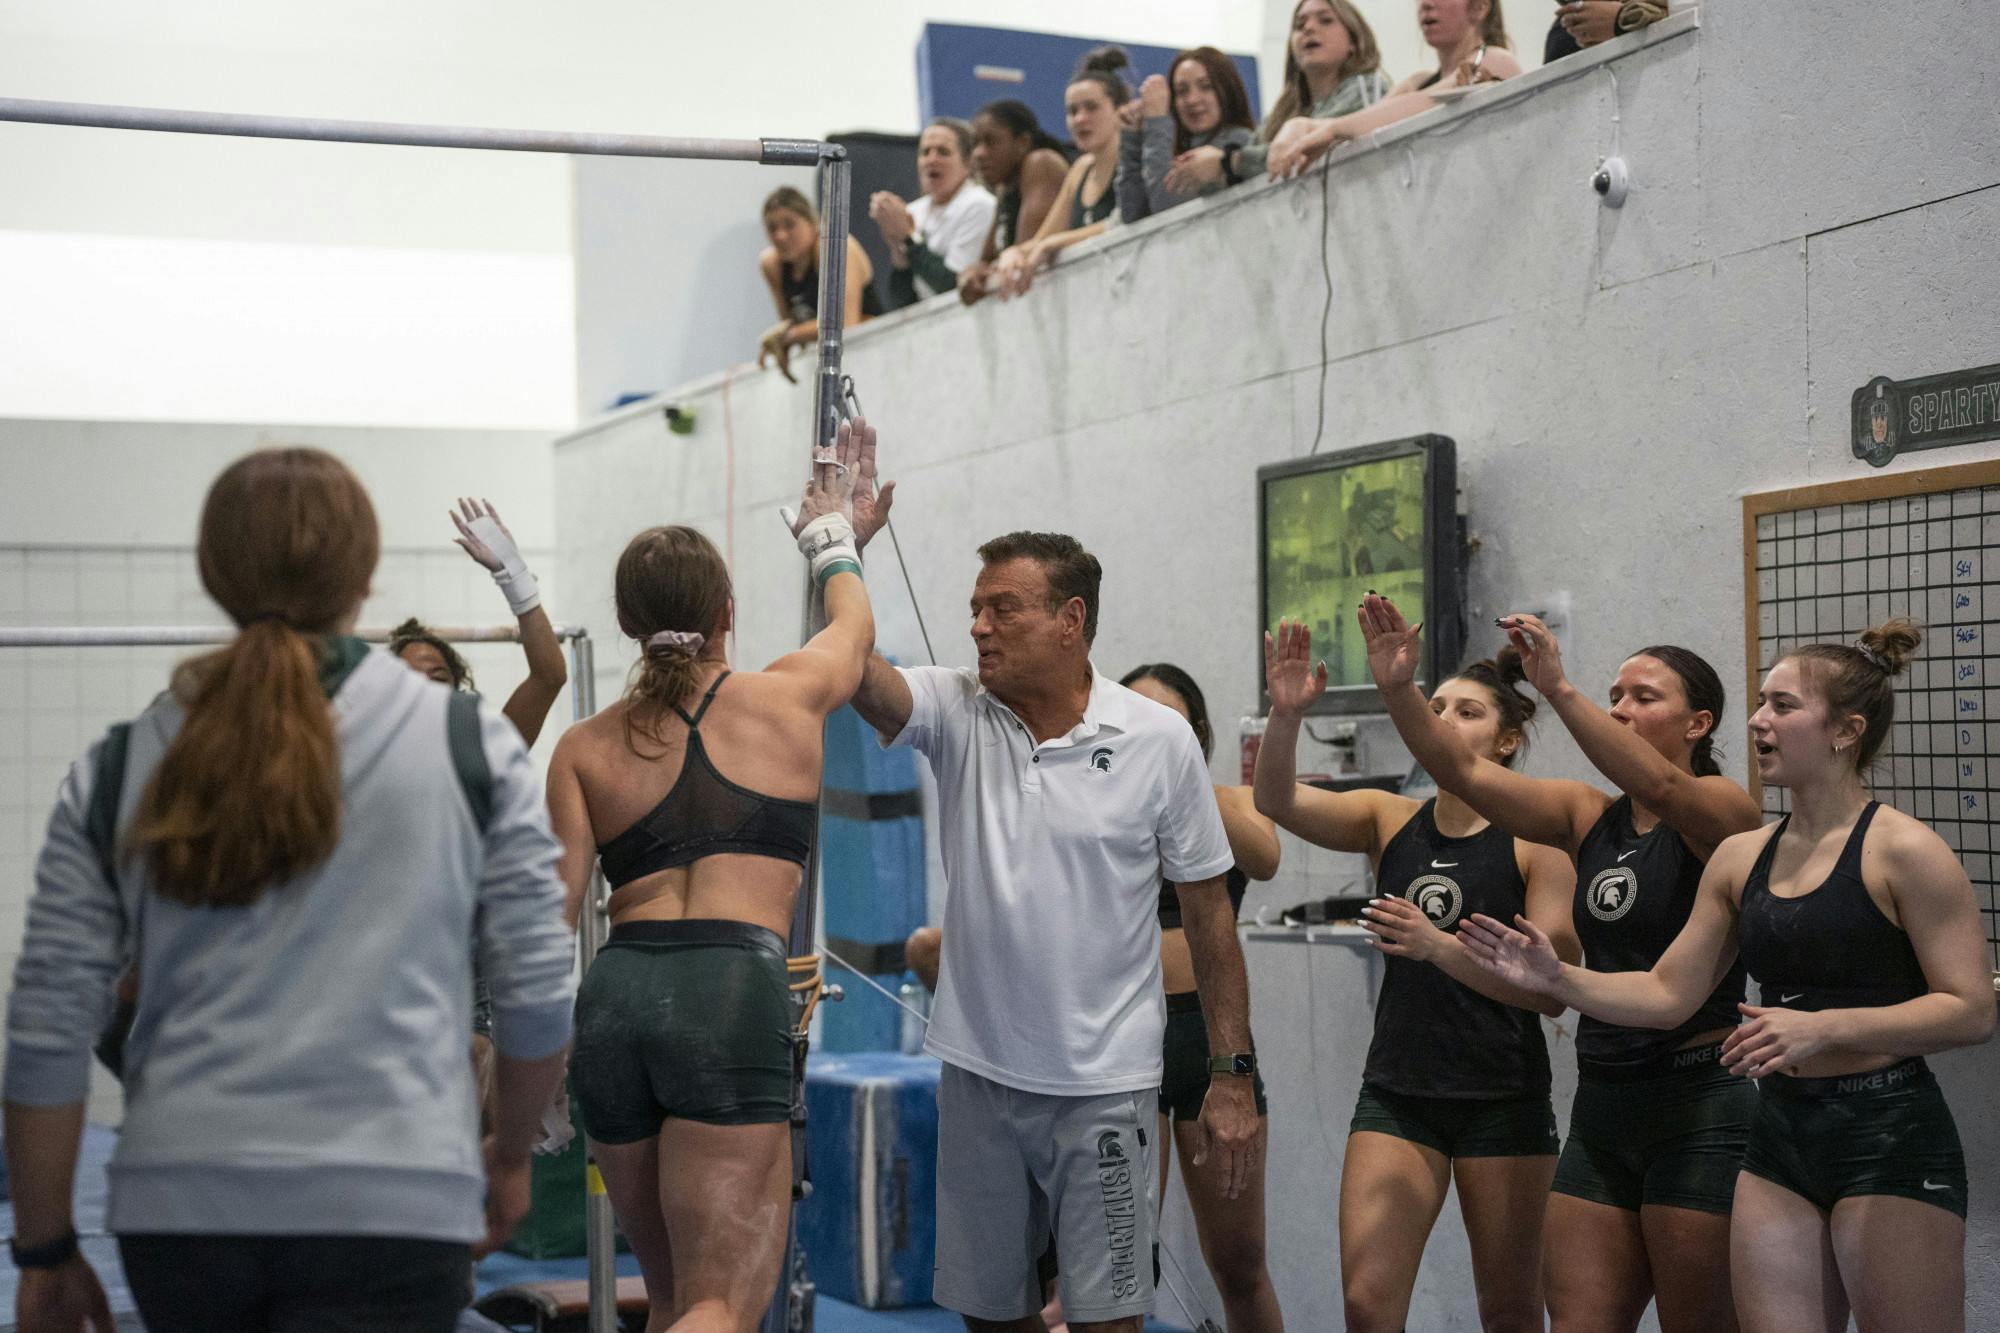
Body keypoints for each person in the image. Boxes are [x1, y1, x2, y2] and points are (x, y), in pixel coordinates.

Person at [4, 447, 575, 1332]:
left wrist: (42, 1249)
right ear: (366, 574)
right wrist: (507, 1156)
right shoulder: (466, 749)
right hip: (391, 1197)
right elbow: (541, 985)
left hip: (185, 1207)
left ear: (212, 574)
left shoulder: (125, 761)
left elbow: (46, 1025)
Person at [1460, 620, 1996, 1333]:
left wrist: (1825, 1026)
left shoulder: (1905, 850)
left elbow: (1971, 1010)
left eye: (1782, 705)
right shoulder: (1743, 857)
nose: (1758, 720)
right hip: (1778, 1136)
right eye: (1760, 703)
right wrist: (1557, 978)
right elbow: (1664, 992)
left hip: (1887, 1129)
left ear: (1845, 731)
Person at [843, 483, 1258, 1332]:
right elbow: (853, 672)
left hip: (1104, 1088)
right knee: (992, 1317)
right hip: (980, 1079)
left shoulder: (1156, 739)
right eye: (974, 609)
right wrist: (841, 549)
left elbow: (1211, 918)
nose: (978, 627)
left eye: (1003, 609)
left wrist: (1231, 1075)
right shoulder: (956, 709)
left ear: (1071, 619)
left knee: (1107, 1320)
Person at [1358, 594, 1763, 1333]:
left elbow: (1665, 787)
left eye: (1643, 697)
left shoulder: (1724, 811)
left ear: (1698, 723)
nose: (1620, 710)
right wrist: (1397, 688)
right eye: (1613, 696)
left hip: (1698, 1101)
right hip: (1606, 1098)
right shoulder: (1586, 815)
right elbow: (1462, 769)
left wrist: (1558, 688)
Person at [548, 421, 876, 1331]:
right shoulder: (787, 696)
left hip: (615, 1000)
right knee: (723, 1304)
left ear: (623, 622)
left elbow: (550, 920)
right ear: (728, 606)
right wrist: (833, 536)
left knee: (671, 1302)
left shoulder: (584, 748)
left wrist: (526, 1071)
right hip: (727, 991)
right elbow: (854, 631)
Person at [1257, 621, 1575, 1333]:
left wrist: (1441, 949)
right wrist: (1286, 716)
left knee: (1511, 1310)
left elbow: (1552, 985)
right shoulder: (1387, 816)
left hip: (1503, 1094)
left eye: (1468, 712)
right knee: (1368, 1305)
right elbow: (1276, 802)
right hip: (1399, 1092)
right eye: (1436, 710)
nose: (1444, 722)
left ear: (1507, 741)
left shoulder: (1539, 842)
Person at [390, 496, 570, 1138]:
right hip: (389, 951)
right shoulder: (361, 754)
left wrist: (514, 577)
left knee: (482, 1098)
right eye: (407, 676)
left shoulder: (480, 746)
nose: (422, 686)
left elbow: (550, 673)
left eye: (436, 674)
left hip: (466, 947)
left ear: (456, 686)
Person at [1120, 663, 1286, 1333]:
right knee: (1120, 1263)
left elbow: (1266, 855)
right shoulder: (1094, 805)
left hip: (1204, 1037)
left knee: (1239, 1261)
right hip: (1118, 1034)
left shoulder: (1227, 800)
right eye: (1134, 718)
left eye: (1167, 723)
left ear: (1197, 734)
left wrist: (1178, 769)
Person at [1266, 0, 1522, 180]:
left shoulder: (1495, 60)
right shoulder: (1417, 81)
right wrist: (1300, 126)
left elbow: (1421, 104)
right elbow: (1369, 118)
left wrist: (1323, 129)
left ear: (1479, 7)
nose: (1426, 4)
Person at [1167, 0, 1389, 195]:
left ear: (1353, 40)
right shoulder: (1278, 115)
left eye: (1325, 20)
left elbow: (1312, 146)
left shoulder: (1369, 88)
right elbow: (1238, 181)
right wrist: (1204, 171)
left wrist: (1227, 162)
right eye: (1299, 25)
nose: (1309, 28)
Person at [993, 48, 1128, 300]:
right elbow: (1044, 239)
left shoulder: (1133, 161)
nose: (1080, 119)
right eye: (1072, 111)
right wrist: (1012, 253)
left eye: (1091, 108)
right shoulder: (1079, 170)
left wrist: (1057, 243)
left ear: (1120, 110)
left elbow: (1130, 222)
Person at [757, 186, 882, 383]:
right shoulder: (771, 264)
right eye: (772, 228)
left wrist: (788, 336)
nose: (780, 236)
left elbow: (845, 325)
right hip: (835, 362)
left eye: (790, 224)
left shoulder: (838, 248)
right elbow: (789, 325)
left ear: (812, 222)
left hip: (876, 349)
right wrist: (781, 344)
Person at [1116, 50, 1256, 224]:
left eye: (1206, 87)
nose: (1192, 99)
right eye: (1181, 91)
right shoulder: (1173, 148)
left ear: (1228, 91)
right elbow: (1131, 214)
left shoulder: (1240, 140)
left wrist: (1157, 120)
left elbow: (1167, 208)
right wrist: (1132, 139)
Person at [872, 118, 997, 310]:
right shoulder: (914, 211)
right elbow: (901, 304)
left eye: (943, 152)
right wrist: (897, 248)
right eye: (925, 152)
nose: (932, 160)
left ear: (967, 163)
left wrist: (907, 238)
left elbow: (953, 287)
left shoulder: (979, 205)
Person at [956, 101, 1070, 307]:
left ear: (1023, 142)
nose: (979, 154)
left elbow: (1022, 256)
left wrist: (986, 271)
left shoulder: (1041, 164)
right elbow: (988, 260)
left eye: (990, 142)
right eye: (975, 143)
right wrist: (972, 273)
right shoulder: (1004, 190)